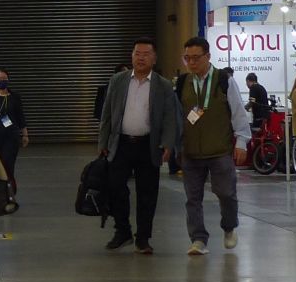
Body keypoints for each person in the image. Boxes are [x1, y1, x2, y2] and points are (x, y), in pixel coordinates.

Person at [95, 38, 181, 254]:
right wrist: (103, 142)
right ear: (131, 56)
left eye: (145, 53)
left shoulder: (163, 85)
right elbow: (106, 114)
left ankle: (143, 238)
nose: (140, 57)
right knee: (115, 187)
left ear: (154, 58)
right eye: (136, 53)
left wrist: (168, 144)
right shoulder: (118, 81)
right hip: (120, 144)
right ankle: (122, 230)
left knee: (147, 194)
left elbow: (171, 117)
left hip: (148, 145)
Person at [176, 37, 250, 256]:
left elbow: (238, 112)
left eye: (196, 58)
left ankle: (229, 227)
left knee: (226, 193)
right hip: (190, 151)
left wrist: (242, 141)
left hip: (220, 150)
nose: (191, 63)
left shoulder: (224, 80)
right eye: (187, 58)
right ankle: (198, 239)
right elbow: (178, 116)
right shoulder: (182, 83)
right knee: (192, 199)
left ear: (208, 56)